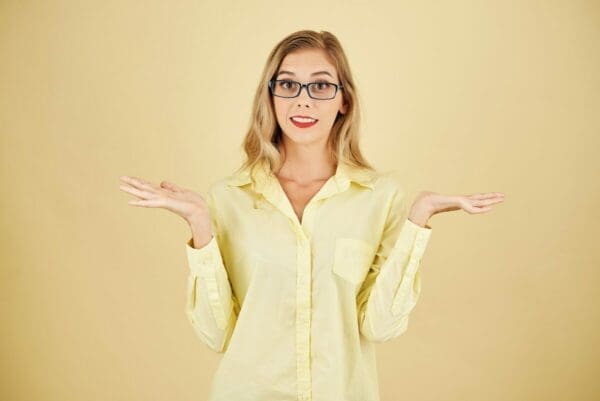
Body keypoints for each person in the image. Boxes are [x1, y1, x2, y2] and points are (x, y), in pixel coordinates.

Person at [118, 30, 504, 401]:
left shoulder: (380, 197)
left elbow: (381, 326)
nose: (302, 101)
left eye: (320, 86)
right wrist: (200, 224)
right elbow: (216, 334)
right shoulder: (228, 198)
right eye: (287, 85)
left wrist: (419, 220)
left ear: (344, 101)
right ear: (270, 98)